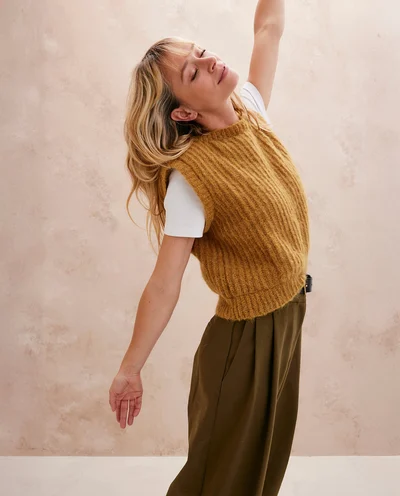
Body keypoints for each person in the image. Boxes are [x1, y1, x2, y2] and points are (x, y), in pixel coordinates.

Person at [109, 0, 312, 494]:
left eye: (199, 51)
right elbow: (164, 285)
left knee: (261, 473)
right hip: (245, 342)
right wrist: (130, 369)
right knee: (217, 480)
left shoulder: (249, 109)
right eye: (193, 71)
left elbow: (268, 29)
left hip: (288, 316)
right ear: (184, 111)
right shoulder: (191, 179)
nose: (208, 61)